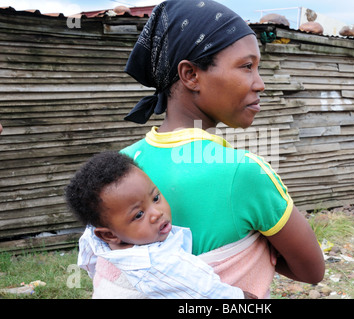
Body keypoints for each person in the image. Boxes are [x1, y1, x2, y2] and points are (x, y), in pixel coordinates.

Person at [82, 0, 324, 298]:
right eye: (247, 67)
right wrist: (257, 248)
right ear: (191, 75)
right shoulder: (243, 172)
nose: (260, 84)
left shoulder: (123, 166)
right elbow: (311, 271)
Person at [66, 151, 255, 299]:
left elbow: (88, 256)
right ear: (108, 235)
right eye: (139, 214)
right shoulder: (157, 262)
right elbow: (204, 291)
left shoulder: (94, 235)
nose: (157, 213)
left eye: (156, 198)